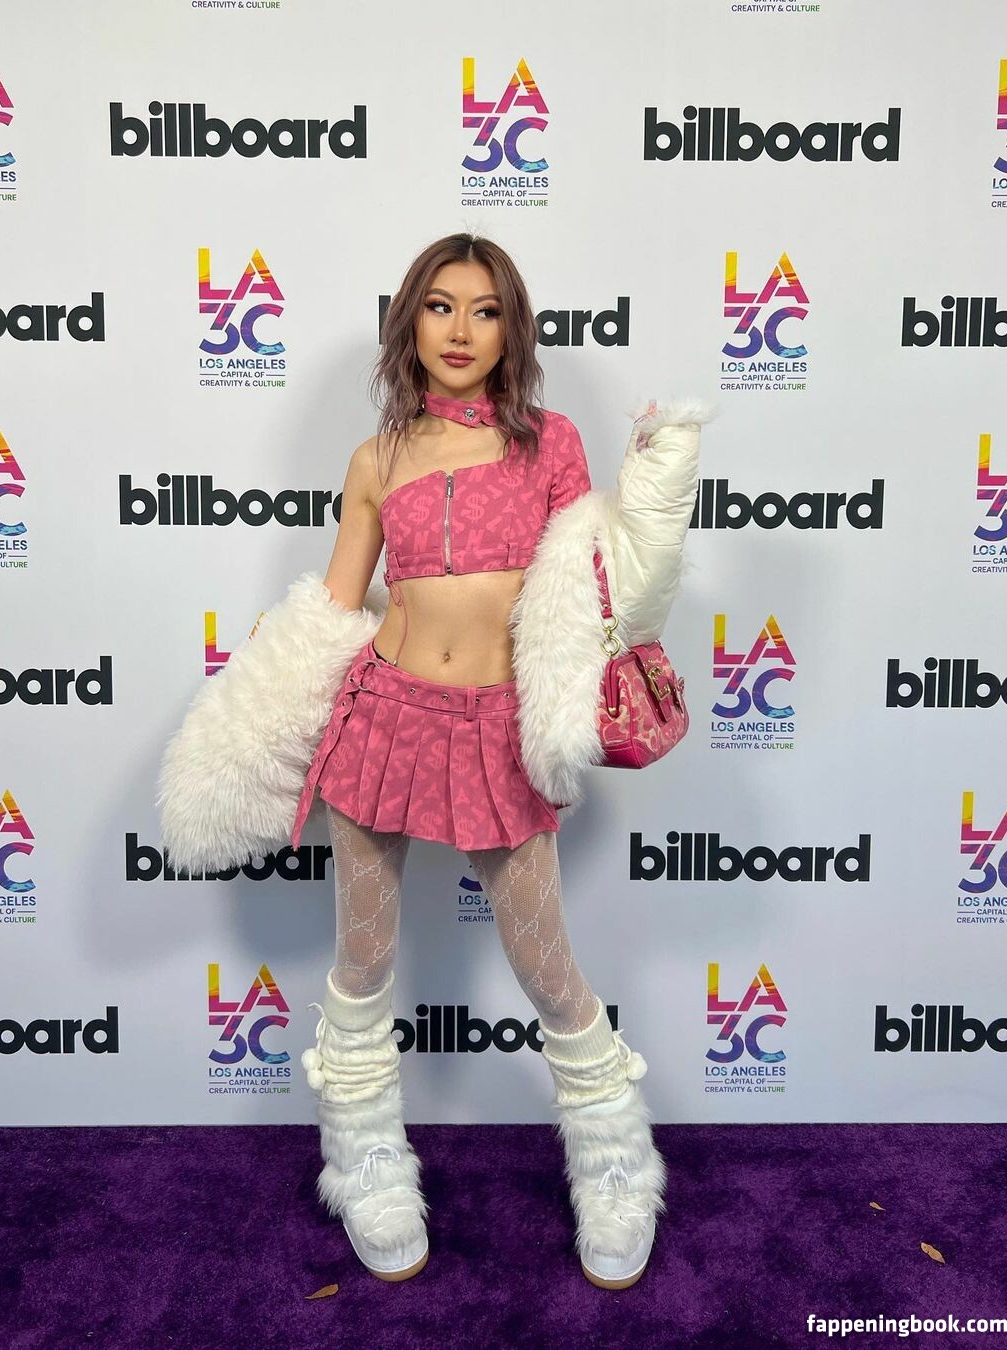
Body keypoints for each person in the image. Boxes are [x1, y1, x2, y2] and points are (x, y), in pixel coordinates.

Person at [156, 231, 714, 1290]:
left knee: (548, 967)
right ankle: (365, 1160)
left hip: (498, 731)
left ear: (513, 330)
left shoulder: (551, 444)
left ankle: (615, 1163)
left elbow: (597, 592)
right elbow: (336, 604)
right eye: (441, 306)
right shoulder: (375, 459)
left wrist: (655, 484)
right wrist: (249, 717)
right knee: (362, 960)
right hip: (383, 719)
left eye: (486, 310)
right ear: (409, 321)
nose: (461, 330)